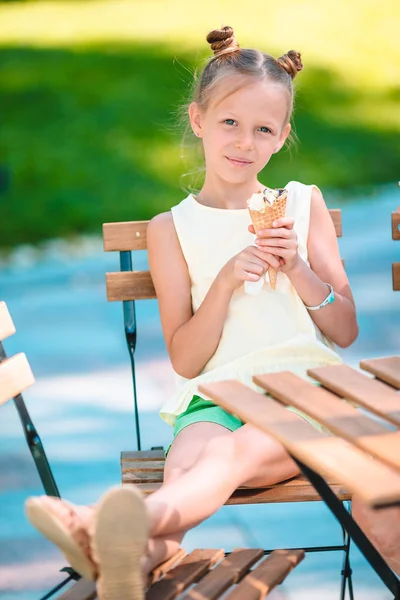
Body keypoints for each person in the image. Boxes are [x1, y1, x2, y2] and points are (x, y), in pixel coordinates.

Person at [26, 24, 398, 600]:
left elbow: (345, 331)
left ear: (282, 137)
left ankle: (100, 524)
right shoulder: (170, 229)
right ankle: (132, 556)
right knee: (189, 464)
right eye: (229, 122)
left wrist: (298, 269)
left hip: (303, 393)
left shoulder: (303, 203)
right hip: (215, 396)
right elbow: (187, 358)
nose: (244, 142)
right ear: (198, 120)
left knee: (235, 451)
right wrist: (223, 282)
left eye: (262, 129)